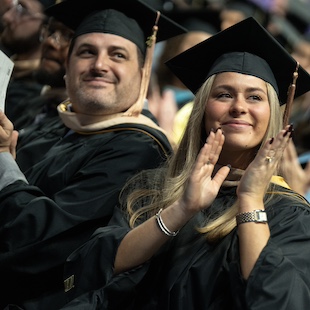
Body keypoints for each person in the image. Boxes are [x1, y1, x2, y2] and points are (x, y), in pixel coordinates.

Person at [59, 17, 310, 309]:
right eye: (224, 94)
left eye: (254, 97)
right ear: (203, 109)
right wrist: (181, 209)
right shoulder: (151, 186)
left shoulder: (289, 214)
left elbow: (282, 301)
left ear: (273, 116)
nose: (239, 107)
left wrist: (251, 198)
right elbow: (93, 270)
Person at [0, 0, 186, 308]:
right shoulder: (55, 127)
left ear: (142, 73)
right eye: (86, 51)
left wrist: (3, 160)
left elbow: (41, 245)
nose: (99, 64)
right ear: (68, 66)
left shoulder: (138, 149)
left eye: (117, 55)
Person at [1, 0, 56, 123]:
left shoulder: (38, 92)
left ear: (45, 28)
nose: (7, 17)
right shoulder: (8, 69)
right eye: (14, 7)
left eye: (22, 10)